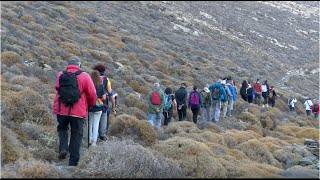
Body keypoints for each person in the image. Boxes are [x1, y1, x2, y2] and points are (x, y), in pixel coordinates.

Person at [53, 56, 96, 166]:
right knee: (76, 134)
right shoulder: (84, 76)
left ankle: (63, 148)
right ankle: (73, 161)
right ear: (79, 64)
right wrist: (90, 105)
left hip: (62, 109)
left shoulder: (60, 74)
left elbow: (57, 87)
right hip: (78, 111)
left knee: (62, 129)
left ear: (68, 64)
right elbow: (92, 93)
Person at [92, 64, 116, 138]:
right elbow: (110, 93)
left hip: (92, 102)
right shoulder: (106, 79)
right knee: (104, 121)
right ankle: (102, 136)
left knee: (94, 122)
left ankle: (92, 137)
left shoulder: (92, 78)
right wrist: (113, 106)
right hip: (103, 103)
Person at [88, 70, 106, 146]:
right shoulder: (101, 86)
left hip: (90, 107)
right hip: (99, 108)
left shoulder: (89, 85)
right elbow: (104, 97)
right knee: (96, 125)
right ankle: (94, 142)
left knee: (90, 124)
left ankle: (89, 139)